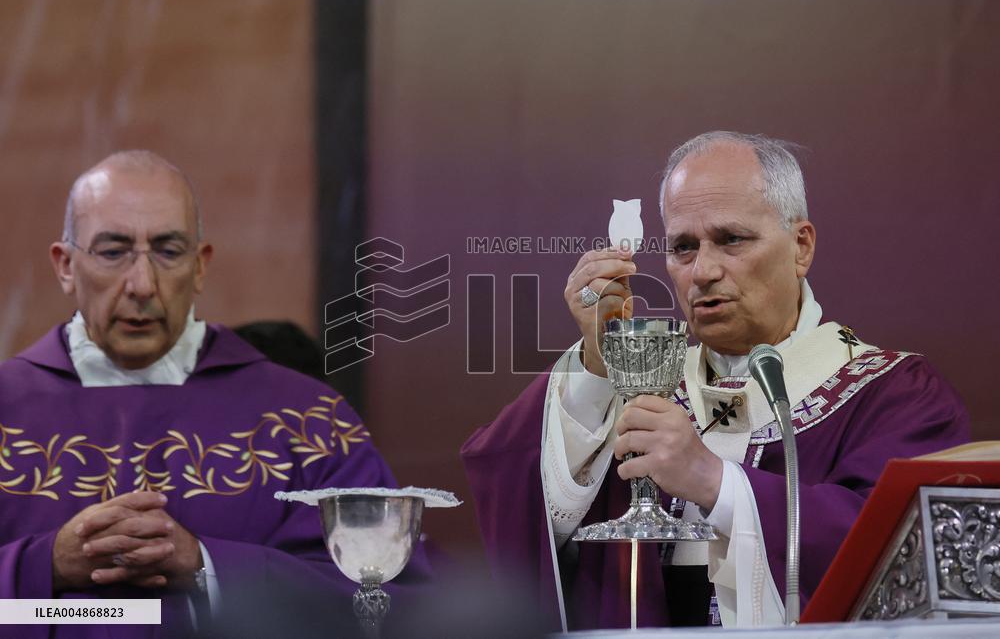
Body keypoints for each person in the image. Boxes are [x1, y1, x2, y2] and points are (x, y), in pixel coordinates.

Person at [461, 131, 970, 630]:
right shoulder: (643, 388)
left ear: (801, 246)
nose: (702, 271)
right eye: (683, 247)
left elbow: (905, 554)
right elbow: (516, 500)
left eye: (731, 240)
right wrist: (598, 363)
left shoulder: (893, 393)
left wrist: (715, 482)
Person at [0, 151, 430, 636]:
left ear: (200, 266)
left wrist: (205, 565)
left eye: (168, 250)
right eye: (113, 251)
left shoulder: (308, 421)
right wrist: (45, 566)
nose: (142, 285)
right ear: (65, 266)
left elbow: (397, 602)